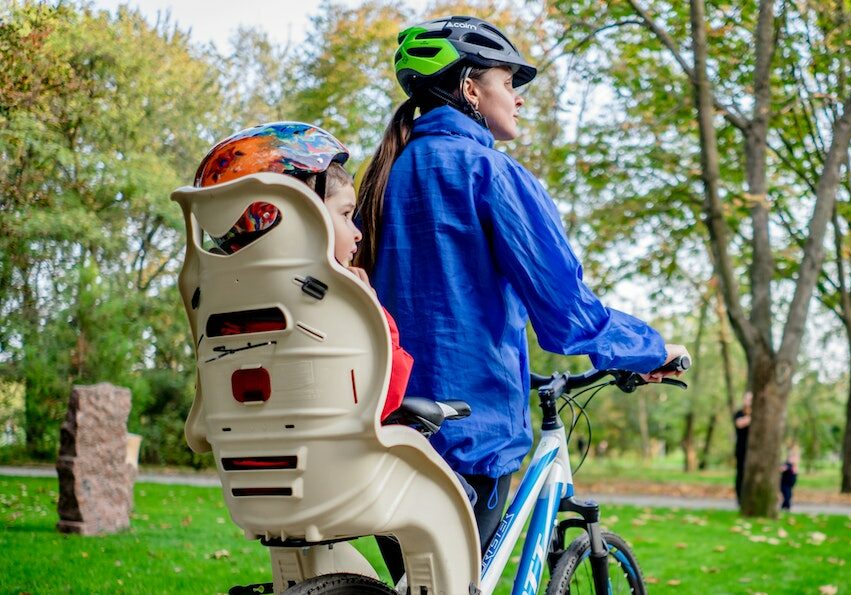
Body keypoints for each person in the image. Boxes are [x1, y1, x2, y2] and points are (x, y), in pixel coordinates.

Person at [353, 16, 690, 565]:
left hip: (391, 423)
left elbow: (422, 303)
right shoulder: (490, 173)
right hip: (471, 429)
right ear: (469, 87)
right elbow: (566, 315)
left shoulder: (385, 176)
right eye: (508, 83)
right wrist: (652, 348)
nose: (518, 99)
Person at [193, 122, 414, 423]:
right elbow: (383, 398)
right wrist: (372, 308)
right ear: (305, 216)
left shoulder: (217, 299)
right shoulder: (343, 304)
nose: (357, 232)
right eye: (346, 214)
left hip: (245, 457)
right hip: (342, 460)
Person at [733, 391, 752, 504]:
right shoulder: (739, 413)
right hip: (742, 449)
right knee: (741, 474)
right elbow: (740, 423)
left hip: (754, 451)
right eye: (748, 399)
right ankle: (740, 498)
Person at [779, 445, 799, 511]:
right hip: (784, 484)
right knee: (787, 496)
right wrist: (783, 468)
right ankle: (786, 508)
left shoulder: (794, 466)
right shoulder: (788, 464)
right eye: (793, 458)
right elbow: (782, 469)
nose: (795, 459)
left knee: (789, 496)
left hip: (789, 485)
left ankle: (784, 508)